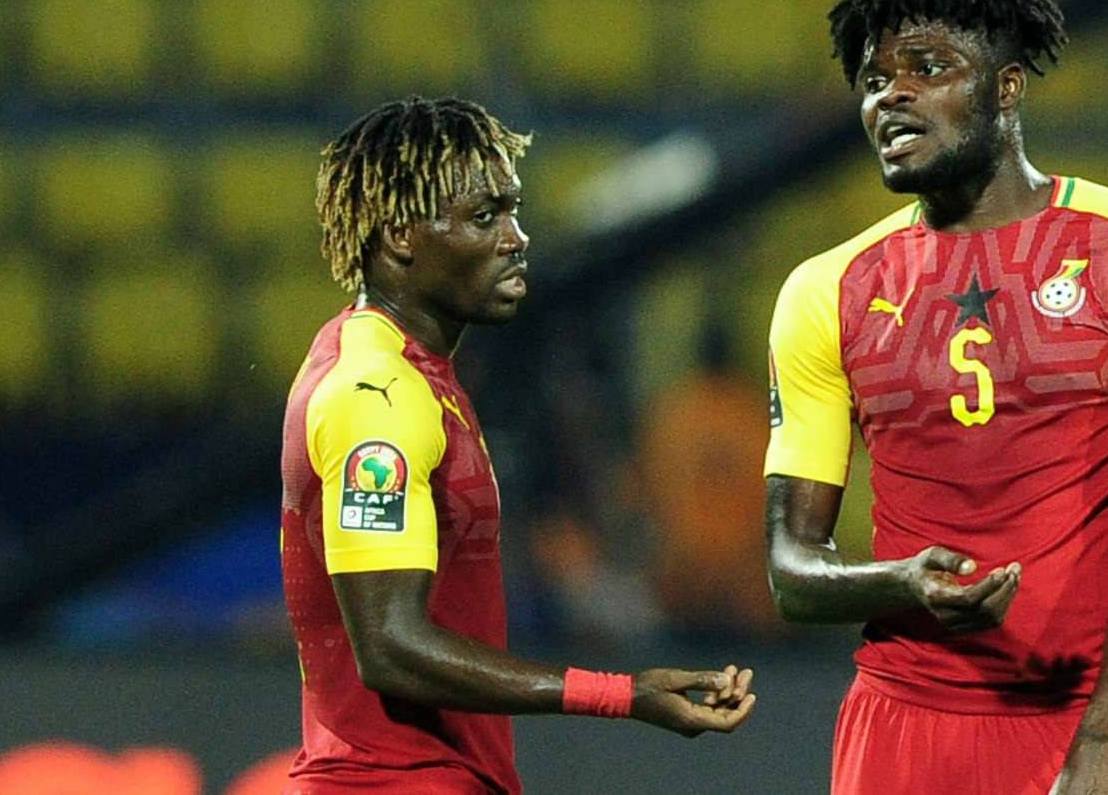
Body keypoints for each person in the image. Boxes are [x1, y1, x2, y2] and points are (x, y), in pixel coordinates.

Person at [764, 0, 1108, 795]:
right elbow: (792, 569)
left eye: (926, 67)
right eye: (871, 79)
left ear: (1006, 88)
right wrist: (897, 583)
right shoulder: (825, 291)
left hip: (1084, 721)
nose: (889, 94)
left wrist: (1101, 748)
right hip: (897, 731)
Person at [280, 96, 756, 795]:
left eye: (513, 211)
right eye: (485, 218)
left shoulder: (416, 374)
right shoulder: (373, 395)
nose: (517, 238)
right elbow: (389, 646)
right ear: (400, 237)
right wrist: (620, 694)